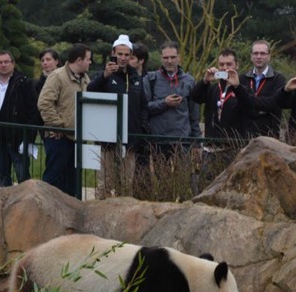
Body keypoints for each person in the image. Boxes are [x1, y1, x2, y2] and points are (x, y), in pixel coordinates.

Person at [88, 34, 149, 197]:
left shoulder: (135, 77)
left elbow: (143, 104)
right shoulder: (105, 74)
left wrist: (141, 127)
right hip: (107, 137)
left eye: (126, 55)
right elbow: (89, 91)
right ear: (113, 53)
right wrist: (104, 76)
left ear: (131, 56)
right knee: (105, 183)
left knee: (127, 183)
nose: (122, 58)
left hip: (130, 137)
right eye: (119, 54)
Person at [143, 41, 201, 197]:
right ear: (161, 58)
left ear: (179, 58)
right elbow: (145, 108)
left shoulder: (189, 81)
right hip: (159, 138)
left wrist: (197, 142)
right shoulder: (151, 79)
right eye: (166, 57)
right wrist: (164, 103)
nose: (169, 61)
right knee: (162, 182)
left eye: (172, 57)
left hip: (182, 139)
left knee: (183, 181)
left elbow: (194, 114)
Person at [37, 43, 92, 197]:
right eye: (88, 59)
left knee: (73, 182)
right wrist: (58, 126)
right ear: (79, 60)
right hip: (59, 137)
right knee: (54, 180)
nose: (90, 62)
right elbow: (44, 102)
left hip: (76, 137)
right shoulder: (57, 76)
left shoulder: (86, 79)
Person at [0, 50, 38, 187]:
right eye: (0, 62)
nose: (3, 65)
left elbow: (33, 110)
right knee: (2, 174)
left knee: (22, 176)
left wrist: (29, 137)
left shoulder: (24, 83)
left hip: (18, 137)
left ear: (13, 64)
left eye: (6, 62)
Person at [191, 48, 250, 140]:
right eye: (221, 64)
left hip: (233, 146)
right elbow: (195, 97)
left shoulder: (245, 88)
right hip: (211, 145)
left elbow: (249, 106)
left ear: (237, 65)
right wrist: (205, 81)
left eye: (229, 64)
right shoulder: (213, 88)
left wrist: (237, 87)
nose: (225, 68)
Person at [240, 40, 286, 138]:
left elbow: (274, 103)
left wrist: (249, 100)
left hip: (269, 135)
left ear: (269, 56)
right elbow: (240, 104)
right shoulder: (242, 78)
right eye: (256, 53)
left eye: (262, 53)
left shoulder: (278, 79)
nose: (259, 56)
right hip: (244, 135)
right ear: (251, 56)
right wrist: (262, 104)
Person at [34, 48, 61, 134]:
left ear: (56, 61)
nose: (45, 63)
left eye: (48, 59)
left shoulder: (63, 78)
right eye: (42, 60)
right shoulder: (38, 83)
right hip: (45, 124)